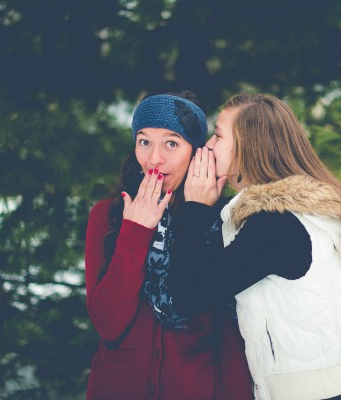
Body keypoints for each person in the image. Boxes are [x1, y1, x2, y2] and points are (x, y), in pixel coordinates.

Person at [164, 93, 341, 400]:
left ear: (249, 146)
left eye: (219, 135)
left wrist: (194, 209)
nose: (208, 145)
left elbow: (187, 296)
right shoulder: (297, 215)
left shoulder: (275, 227)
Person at [84, 91, 252, 399]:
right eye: (144, 141)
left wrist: (197, 215)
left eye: (171, 143)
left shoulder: (223, 219)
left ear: (196, 152)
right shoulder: (107, 216)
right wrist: (135, 231)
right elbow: (107, 324)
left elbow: (231, 336)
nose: (154, 158)